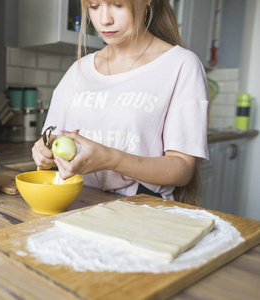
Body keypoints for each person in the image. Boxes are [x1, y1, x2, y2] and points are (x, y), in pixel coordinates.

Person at [32, 0, 209, 204]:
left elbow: (182, 169)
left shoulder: (181, 65)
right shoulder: (79, 69)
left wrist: (111, 159)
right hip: (78, 203)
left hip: (141, 207)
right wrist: (43, 150)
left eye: (117, 4)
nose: (105, 20)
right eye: (94, 6)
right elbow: (52, 138)